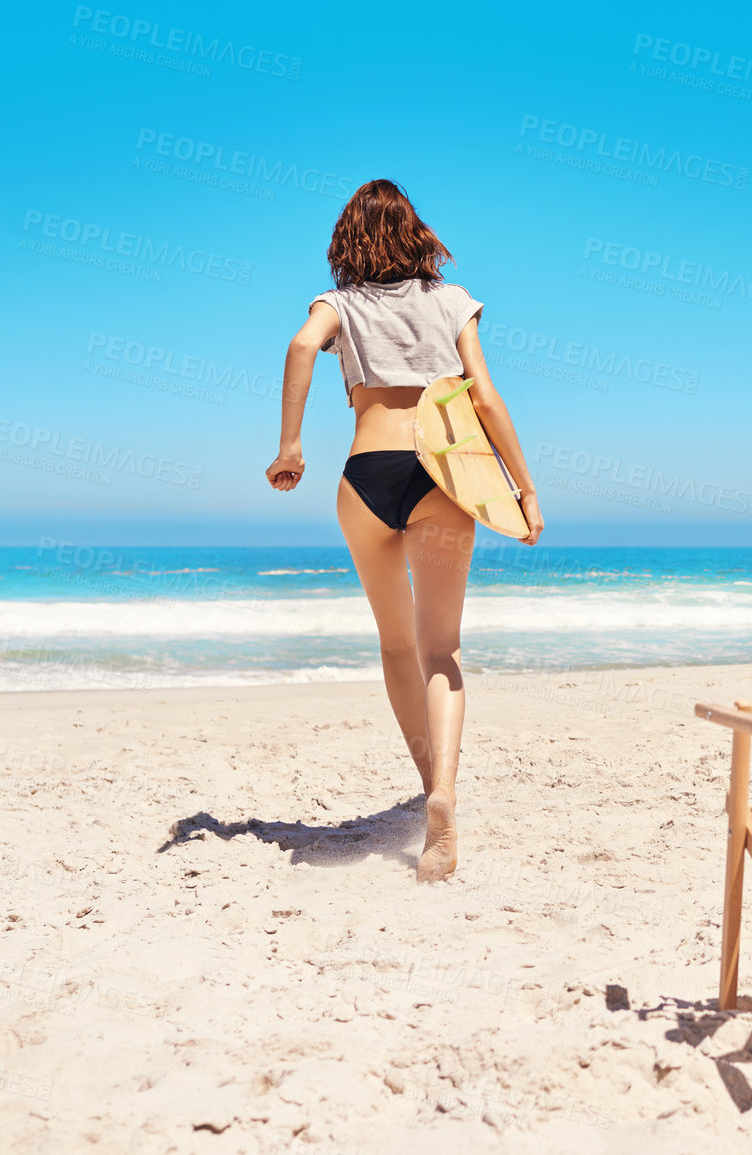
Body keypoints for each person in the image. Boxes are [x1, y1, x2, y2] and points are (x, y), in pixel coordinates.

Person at [265, 179, 544, 882]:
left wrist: (290, 446)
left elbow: (301, 348)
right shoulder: (452, 301)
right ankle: (445, 792)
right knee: (440, 648)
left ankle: (428, 792)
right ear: (417, 233)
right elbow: (482, 393)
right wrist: (523, 488)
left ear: (346, 240)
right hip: (444, 476)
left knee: (395, 643)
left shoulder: (337, 305)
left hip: (365, 474)